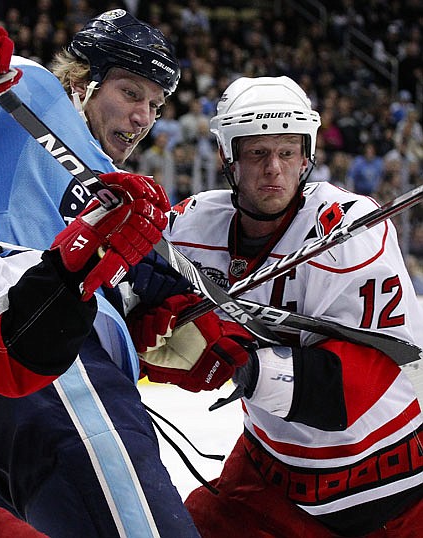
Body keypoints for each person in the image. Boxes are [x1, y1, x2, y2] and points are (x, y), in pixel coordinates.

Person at [128, 76, 423, 537]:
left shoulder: (349, 229)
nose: (274, 169)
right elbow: (142, 309)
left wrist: (241, 366)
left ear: (306, 156)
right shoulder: (191, 229)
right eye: (257, 154)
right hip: (271, 479)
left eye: (287, 153)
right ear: (229, 159)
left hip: (396, 485)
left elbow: (363, 381)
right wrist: (152, 330)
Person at [0, 8, 198, 538]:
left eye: (155, 106)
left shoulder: (120, 187)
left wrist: (165, 312)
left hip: (0, 385)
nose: (143, 118)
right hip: (38, 346)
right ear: (83, 82)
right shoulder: (35, 95)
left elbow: (139, 296)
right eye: (131, 93)